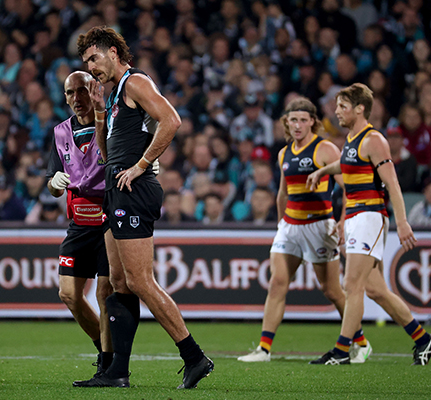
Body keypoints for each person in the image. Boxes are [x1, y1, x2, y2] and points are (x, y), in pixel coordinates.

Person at [75, 26, 213, 389]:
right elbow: (107, 156)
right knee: (116, 281)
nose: (90, 67)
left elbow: (172, 120)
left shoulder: (135, 82)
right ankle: (116, 372)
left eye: (94, 58)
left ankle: (194, 356)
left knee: (139, 280)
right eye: (86, 61)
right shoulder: (115, 94)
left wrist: (141, 164)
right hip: (116, 190)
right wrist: (102, 118)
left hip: (135, 189)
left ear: (114, 53)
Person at [238, 97, 371, 363]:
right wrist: (280, 224)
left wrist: (344, 222)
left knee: (332, 290)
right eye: (292, 120)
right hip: (290, 226)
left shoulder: (325, 149)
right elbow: (282, 194)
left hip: (319, 226)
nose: (297, 125)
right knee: (277, 283)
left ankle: (361, 342)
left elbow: (349, 189)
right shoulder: (284, 153)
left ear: (313, 121)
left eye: (302, 119)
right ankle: (264, 349)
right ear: (286, 123)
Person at [307, 83, 430, 366]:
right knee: (376, 290)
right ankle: (423, 340)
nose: (336, 111)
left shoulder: (374, 139)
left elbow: (393, 183)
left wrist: (402, 222)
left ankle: (340, 351)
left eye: (342, 106)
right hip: (356, 217)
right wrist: (323, 170)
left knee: (352, 285)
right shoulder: (352, 139)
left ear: (360, 108)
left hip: (370, 215)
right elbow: (346, 166)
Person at [45, 71, 114, 378]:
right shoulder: (60, 133)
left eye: (82, 91)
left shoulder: (109, 124)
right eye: (70, 93)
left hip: (109, 220)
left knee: (105, 293)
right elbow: (52, 180)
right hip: (78, 223)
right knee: (69, 294)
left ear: (93, 91)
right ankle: (103, 344)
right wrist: (54, 184)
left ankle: (109, 364)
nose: (76, 99)